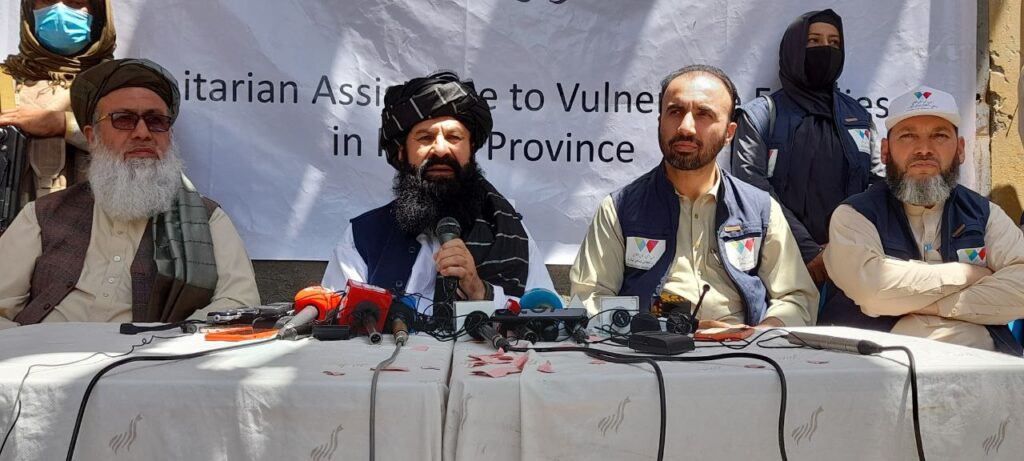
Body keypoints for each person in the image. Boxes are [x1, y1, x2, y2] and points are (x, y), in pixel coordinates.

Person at [0, 58, 260, 329]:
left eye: (156, 121)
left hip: (148, 353)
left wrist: (169, 341)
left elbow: (239, 303)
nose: (142, 133)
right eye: (123, 119)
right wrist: (30, 348)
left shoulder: (207, 220)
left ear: (169, 135)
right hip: (44, 351)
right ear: (92, 136)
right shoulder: (42, 215)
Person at [571, 64, 817, 328]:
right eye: (675, 112)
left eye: (704, 114)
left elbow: (797, 297)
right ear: (660, 121)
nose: (686, 127)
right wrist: (674, 330)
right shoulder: (619, 209)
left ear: (729, 133)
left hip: (748, 350)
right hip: (650, 348)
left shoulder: (760, 210)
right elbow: (589, 299)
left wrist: (758, 334)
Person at [322, 71, 554, 313]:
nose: (441, 150)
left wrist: (479, 291)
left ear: (471, 149)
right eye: (425, 138)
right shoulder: (363, 236)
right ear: (402, 152)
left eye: (454, 137)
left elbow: (547, 316)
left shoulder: (509, 232)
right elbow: (335, 318)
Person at [821, 86, 1024, 355]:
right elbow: (873, 290)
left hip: (986, 366)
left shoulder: (984, 213)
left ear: (961, 149)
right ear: (885, 151)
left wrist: (928, 305)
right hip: (877, 367)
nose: (924, 150)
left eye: (939, 136)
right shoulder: (855, 215)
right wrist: (969, 274)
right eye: (908, 136)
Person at [731, 9, 882, 286]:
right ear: (794, 48)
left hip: (852, 264)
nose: (826, 49)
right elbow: (752, 188)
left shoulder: (859, 117)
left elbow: (879, 185)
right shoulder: (761, 115)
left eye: (834, 43)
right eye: (814, 41)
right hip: (777, 266)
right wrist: (808, 250)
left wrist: (843, 247)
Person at [0, 0, 116, 212]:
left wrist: (64, 125)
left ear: (98, 14)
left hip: (97, 227)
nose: (59, 10)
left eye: (75, 2)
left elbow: (137, 147)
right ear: (29, 10)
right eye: (47, 0)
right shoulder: (3, 83)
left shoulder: (120, 85)